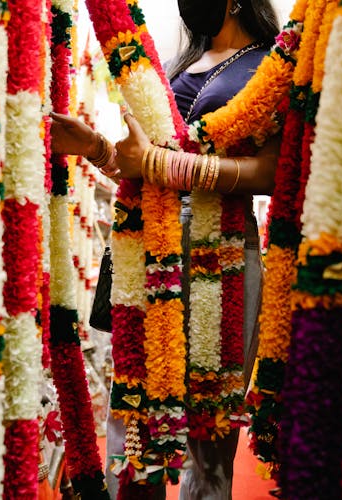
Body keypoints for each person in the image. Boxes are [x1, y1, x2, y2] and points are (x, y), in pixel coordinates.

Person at [51, 1, 280, 498]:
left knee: (208, 427)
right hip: (145, 247)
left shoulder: (270, 65)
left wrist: (165, 167)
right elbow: (141, 165)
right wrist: (95, 147)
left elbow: (273, 172)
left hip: (220, 255)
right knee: (131, 413)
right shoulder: (177, 64)